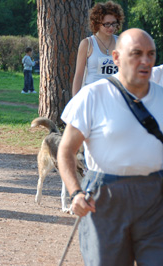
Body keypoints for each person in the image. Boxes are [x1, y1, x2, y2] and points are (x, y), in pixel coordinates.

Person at [59, 28, 163, 265]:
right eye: (136, 54)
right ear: (116, 58)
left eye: (151, 54)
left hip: (156, 200)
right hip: (104, 200)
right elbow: (66, 150)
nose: (145, 61)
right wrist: (75, 192)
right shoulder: (92, 96)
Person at [72, 1, 125, 96]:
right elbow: (79, 76)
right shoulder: (87, 44)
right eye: (107, 24)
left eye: (114, 23)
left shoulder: (121, 42)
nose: (111, 27)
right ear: (97, 23)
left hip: (115, 95)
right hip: (92, 95)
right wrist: (75, 101)